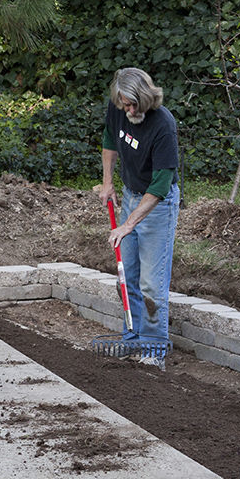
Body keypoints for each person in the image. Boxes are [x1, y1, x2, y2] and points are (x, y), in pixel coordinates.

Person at [97, 67, 180, 367]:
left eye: (134, 105)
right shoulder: (118, 106)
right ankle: (132, 340)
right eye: (124, 105)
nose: (129, 110)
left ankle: (154, 353)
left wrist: (128, 224)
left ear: (146, 99)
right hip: (130, 194)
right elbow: (109, 135)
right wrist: (108, 182)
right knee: (126, 277)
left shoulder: (163, 125)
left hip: (157, 206)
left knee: (151, 285)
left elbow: (160, 184)